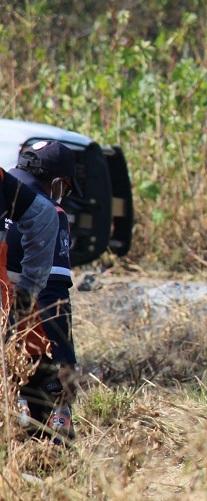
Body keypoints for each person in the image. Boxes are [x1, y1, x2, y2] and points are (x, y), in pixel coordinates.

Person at [4, 140, 79, 442]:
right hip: (20, 336)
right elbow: (52, 296)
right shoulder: (47, 211)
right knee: (50, 433)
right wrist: (66, 362)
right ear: (59, 183)